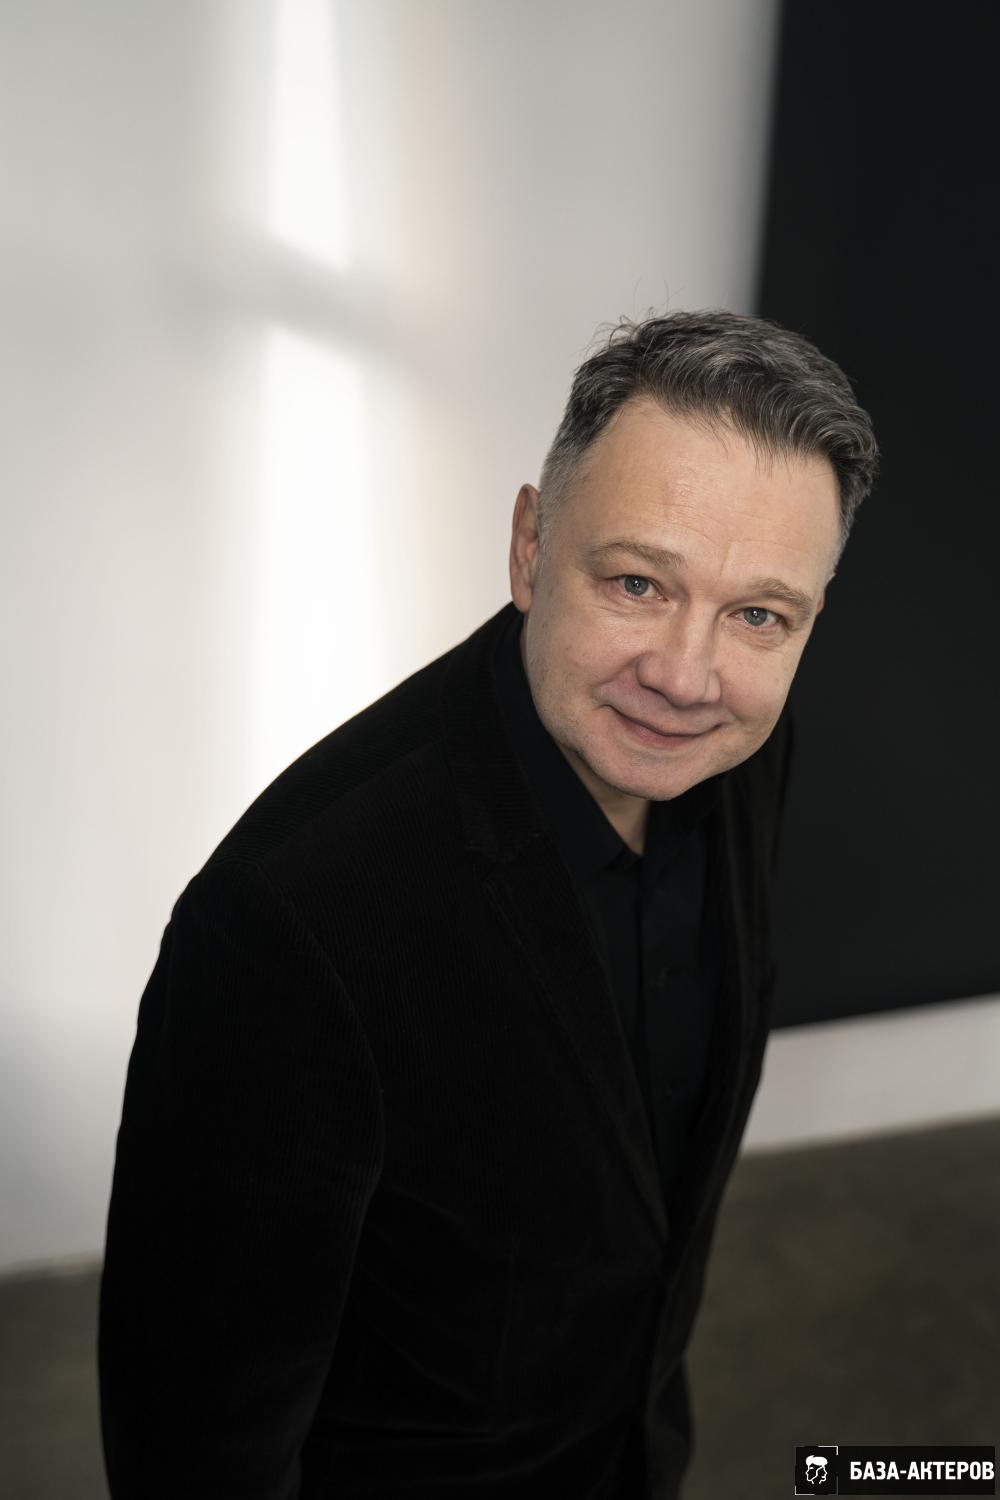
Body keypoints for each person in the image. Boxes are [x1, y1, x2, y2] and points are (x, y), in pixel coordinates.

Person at [98, 309, 877, 1498]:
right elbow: (195, 1450)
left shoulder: (737, 752)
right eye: (636, 582)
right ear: (527, 548)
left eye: (758, 615)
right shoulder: (287, 925)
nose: (685, 675)